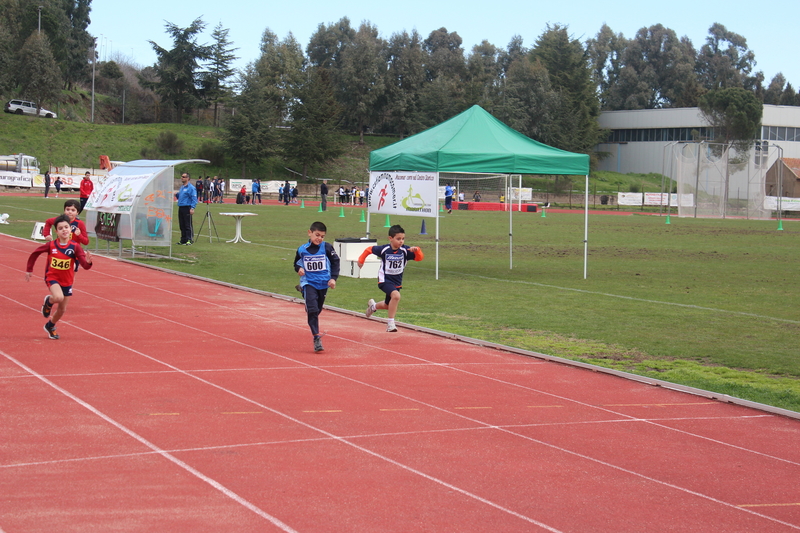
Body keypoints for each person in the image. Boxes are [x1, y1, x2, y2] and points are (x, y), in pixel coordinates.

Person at [25, 214, 94, 340]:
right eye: (61, 228)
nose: (64, 230)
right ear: (56, 231)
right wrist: (30, 269)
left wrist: (89, 262)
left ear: (70, 229)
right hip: (52, 277)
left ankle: (50, 326)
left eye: (66, 227)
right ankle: (49, 301)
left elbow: (84, 264)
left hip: (67, 280)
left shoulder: (75, 246)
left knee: (62, 310)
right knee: (58, 297)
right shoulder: (51, 245)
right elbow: (35, 253)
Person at [358, 224, 424, 332]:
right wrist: (361, 260)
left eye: (403, 239)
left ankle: (373, 307)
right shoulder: (384, 249)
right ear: (390, 238)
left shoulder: (405, 250)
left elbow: (419, 258)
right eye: (398, 239)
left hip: (397, 282)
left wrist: (417, 250)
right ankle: (390, 324)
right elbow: (369, 249)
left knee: (388, 305)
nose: (401, 241)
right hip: (384, 280)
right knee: (396, 296)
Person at [294, 221, 340, 352]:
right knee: (313, 310)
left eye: (322, 236)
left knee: (317, 309)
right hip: (309, 282)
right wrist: (299, 269)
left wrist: (333, 278)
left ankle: (304, 293)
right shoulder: (302, 249)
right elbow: (296, 264)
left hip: (323, 283)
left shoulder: (327, 248)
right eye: (317, 235)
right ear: (310, 233)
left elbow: (335, 262)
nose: (319, 238)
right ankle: (316, 337)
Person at [175, 172, 197, 245]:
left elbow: (194, 198)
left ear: (188, 178)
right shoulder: (182, 187)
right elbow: (181, 197)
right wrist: (177, 195)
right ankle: (183, 239)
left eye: (184, 177)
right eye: (182, 177)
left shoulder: (191, 188)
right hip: (181, 207)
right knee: (182, 224)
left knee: (188, 224)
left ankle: (189, 239)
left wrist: (192, 208)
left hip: (187, 207)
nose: (182, 178)